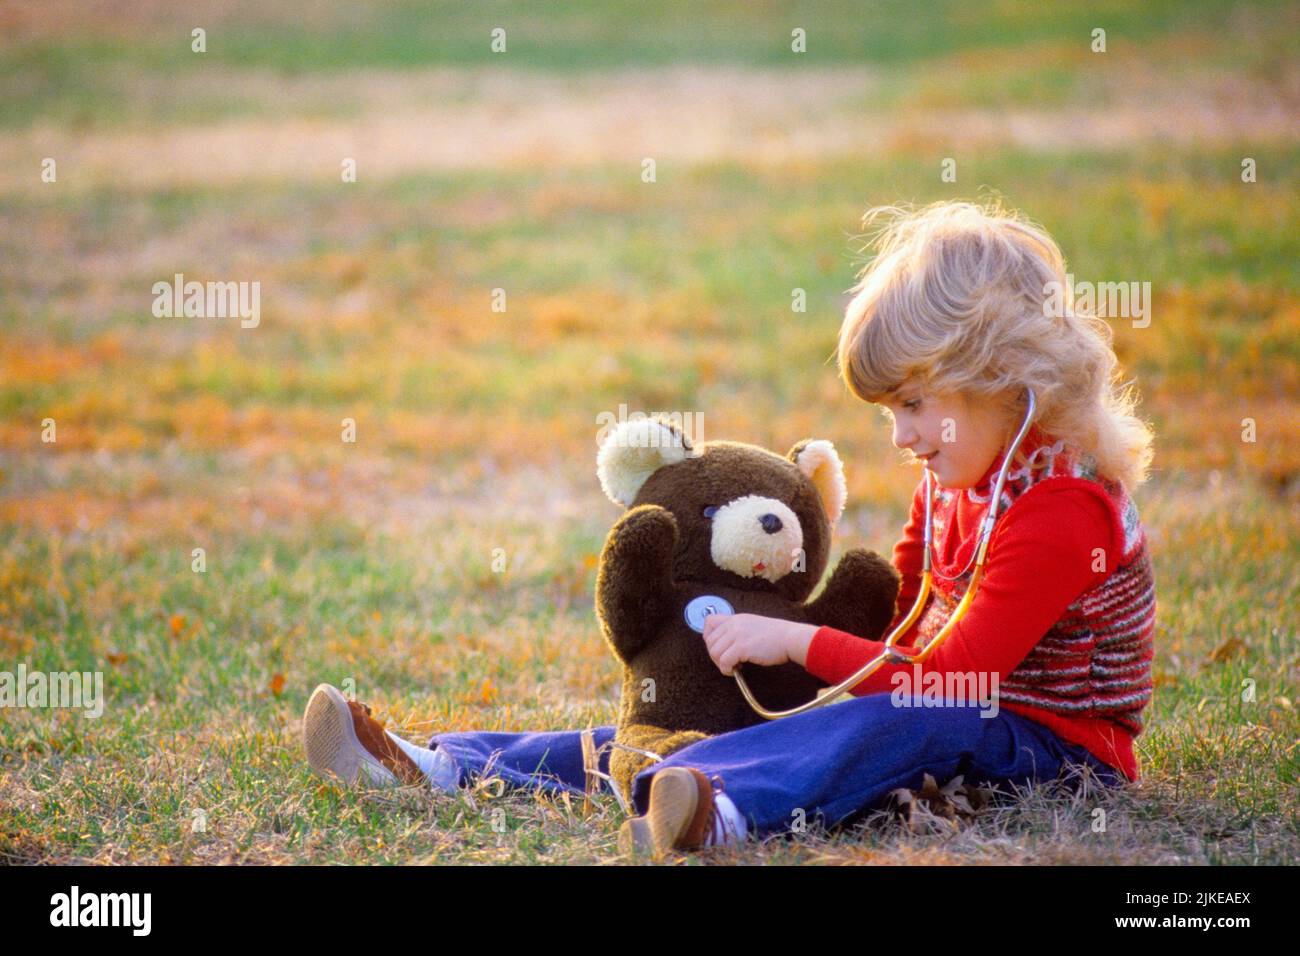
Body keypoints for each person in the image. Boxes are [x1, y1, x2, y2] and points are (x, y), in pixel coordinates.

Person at [302, 200, 1157, 860]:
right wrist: (781, 661)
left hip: (1045, 743)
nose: (900, 438)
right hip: (935, 701)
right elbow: (903, 612)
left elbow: (952, 679)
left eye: (912, 405)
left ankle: (721, 806)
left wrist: (796, 641)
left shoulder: (1059, 508)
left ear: (1002, 376)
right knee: (702, 716)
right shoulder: (964, 473)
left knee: (905, 720)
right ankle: (449, 763)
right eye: (892, 411)